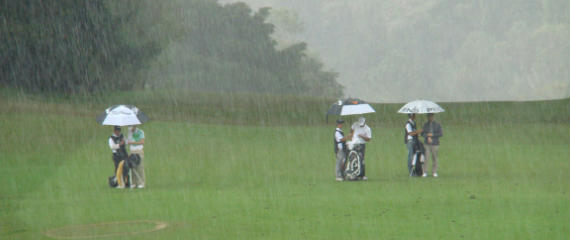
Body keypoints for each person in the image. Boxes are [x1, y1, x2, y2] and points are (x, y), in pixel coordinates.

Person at [420, 113, 443, 177]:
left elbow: (440, 134)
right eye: (429, 117)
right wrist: (427, 136)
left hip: (435, 144)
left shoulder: (437, 125)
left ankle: (434, 172)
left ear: (433, 117)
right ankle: (425, 172)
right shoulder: (425, 125)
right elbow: (422, 133)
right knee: (426, 158)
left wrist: (432, 135)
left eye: (431, 116)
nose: (430, 118)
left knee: (435, 158)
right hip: (427, 144)